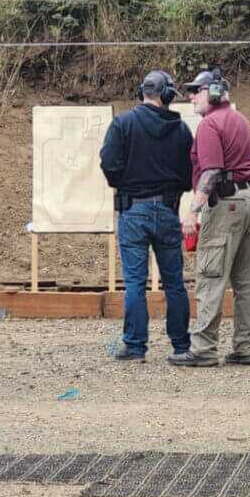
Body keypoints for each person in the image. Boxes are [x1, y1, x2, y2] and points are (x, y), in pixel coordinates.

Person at [171, 68, 250, 368]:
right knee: (246, 281)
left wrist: (193, 210)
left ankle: (204, 348)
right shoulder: (240, 119)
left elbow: (210, 172)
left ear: (211, 93)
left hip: (227, 204)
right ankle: (245, 348)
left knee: (211, 276)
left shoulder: (210, 125)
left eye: (196, 90)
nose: (191, 96)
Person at [100, 70, 193, 362]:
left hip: (133, 209)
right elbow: (189, 177)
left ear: (143, 91)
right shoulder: (181, 130)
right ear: (166, 96)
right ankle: (180, 345)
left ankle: (136, 346)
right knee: (174, 282)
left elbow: (109, 165)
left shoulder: (123, 123)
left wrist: (127, 182)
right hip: (167, 210)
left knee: (135, 283)